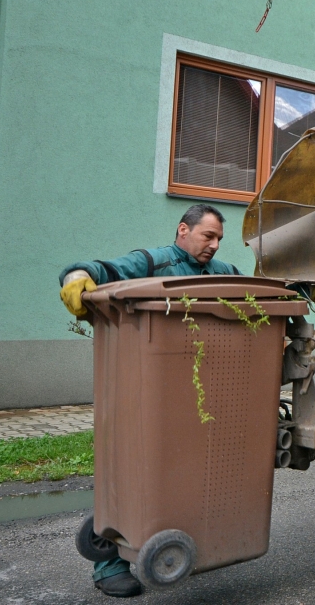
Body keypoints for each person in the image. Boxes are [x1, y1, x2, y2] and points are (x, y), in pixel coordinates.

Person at [59, 203, 242, 598]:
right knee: (131, 465)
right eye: (208, 236)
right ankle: (109, 565)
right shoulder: (153, 263)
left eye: (219, 239)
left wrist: (303, 290)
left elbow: (258, 293)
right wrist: (76, 276)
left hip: (196, 389)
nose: (213, 245)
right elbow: (101, 270)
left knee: (180, 469)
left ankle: (185, 540)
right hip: (144, 388)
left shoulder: (221, 273)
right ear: (183, 230)